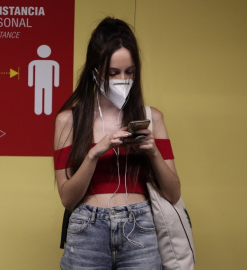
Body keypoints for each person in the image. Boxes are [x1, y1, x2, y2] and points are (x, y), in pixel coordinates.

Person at [53, 17, 180, 269]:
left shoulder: (151, 118)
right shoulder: (69, 120)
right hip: (87, 229)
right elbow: (67, 198)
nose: (123, 79)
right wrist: (94, 153)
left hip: (140, 226)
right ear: (94, 70)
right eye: (113, 73)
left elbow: (173, 193)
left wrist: (153, 152)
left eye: (129, 72)